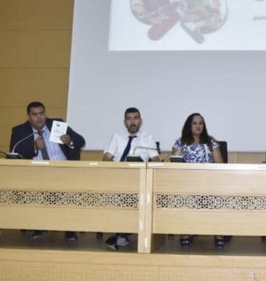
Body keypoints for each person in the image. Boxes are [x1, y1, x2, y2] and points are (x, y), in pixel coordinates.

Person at [9, 101, 86, 242]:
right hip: (36, 172)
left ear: (45, 113)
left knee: (70, 187)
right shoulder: (20, 131)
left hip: (62, 169)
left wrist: (69, 141)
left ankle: (69, 229)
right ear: (29, 116)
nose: (39, 117)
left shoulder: (57, 124)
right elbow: (14, 153)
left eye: (41, 113)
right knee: (33, 186)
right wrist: (33, 147)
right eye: (35, 114)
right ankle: (38, 225)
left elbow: (81, 141)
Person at [102, 107, 160, 251]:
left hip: (138, 179)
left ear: (141, 121)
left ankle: (119, 235)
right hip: (117, 177)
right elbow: (107, 157)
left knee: (130, 196)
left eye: (135, 118)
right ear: (125, 122)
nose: (132, 122)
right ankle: (120, 234)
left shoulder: (148, 138)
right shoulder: (117, 136)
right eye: (129, 119)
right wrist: (113, 170)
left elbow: (156, 160)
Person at [171, 113, 226, 249]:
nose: (198, 126)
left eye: (201, 123)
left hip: (209, 181)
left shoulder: (211, 142)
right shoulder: (180, 142)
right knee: (181, 194)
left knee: (218, 195)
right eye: (195, 123)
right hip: (187, 182)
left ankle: (218, 233)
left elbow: (220, 164)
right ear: (189, 126)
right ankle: (186, 231)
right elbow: (175, 163)